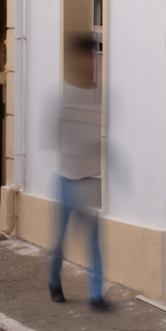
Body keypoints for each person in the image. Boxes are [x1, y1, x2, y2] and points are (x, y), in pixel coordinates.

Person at [48, 32, 107, 309]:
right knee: (60, 239)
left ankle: (96, 295)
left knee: (94, 241)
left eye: (95, 56)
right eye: (88, 57)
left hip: (92, 178)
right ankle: (53, 279)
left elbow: (105, 132)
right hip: (67, 178)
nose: (92, 62)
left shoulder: (101, 94)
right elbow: (51, 136)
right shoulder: (62, 93)